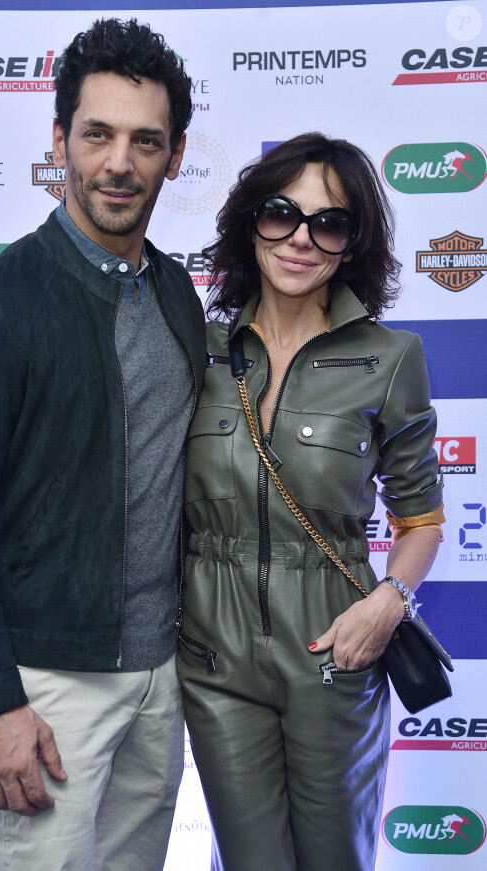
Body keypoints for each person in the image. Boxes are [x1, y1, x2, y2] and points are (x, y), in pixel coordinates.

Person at [0, 18, 205, 871]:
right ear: (59, 141)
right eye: (98, 134)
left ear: (175, 155)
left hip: (162, 676)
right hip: (46, 689)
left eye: (145, 141)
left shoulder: (177, 293)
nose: (120, 162)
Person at [176, 132, 444, 871]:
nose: (300, 238)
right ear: (249, 223)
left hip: (335, 643)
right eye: (280, 214)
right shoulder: (195, 349)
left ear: (352, 244)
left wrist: (388, 600)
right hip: (213, 649)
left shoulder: (390, 357)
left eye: (328, 223)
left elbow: (420, 519)